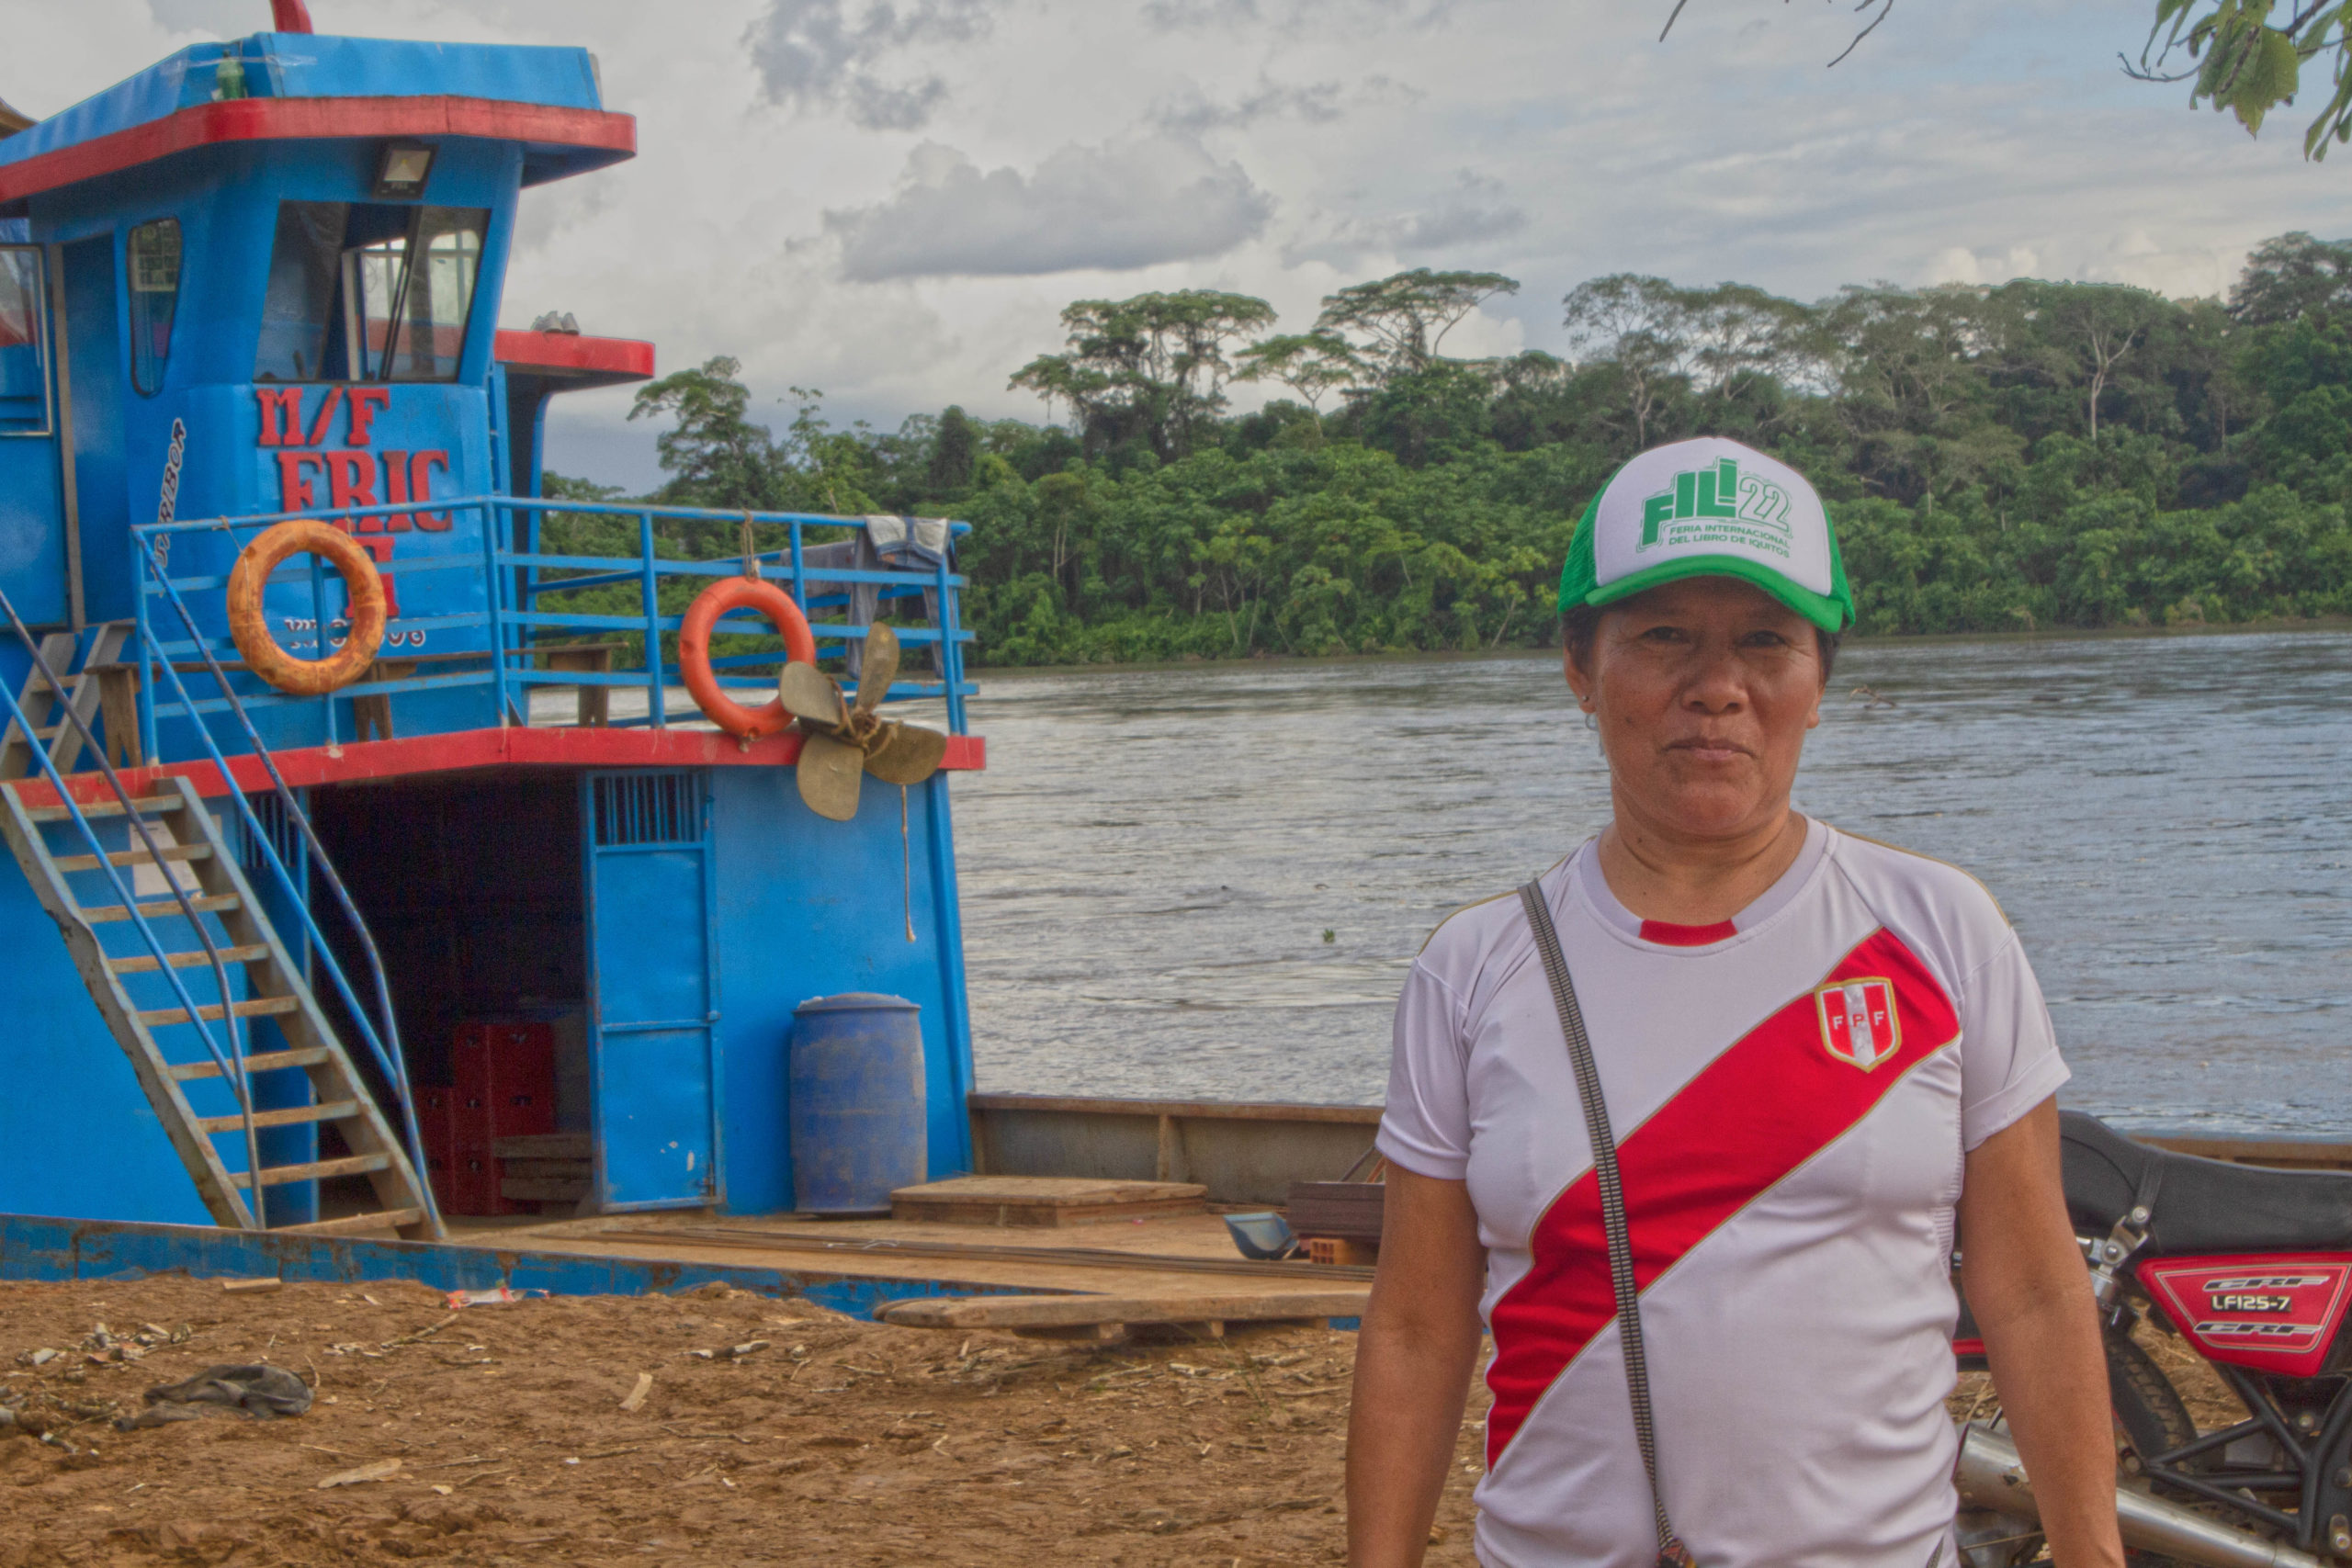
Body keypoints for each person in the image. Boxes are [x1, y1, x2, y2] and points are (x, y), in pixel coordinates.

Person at [1346, 437, 2122, 1568]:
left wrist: (2092, 1554)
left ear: (1818, 684)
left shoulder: (1941, 929)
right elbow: (1416, 1328)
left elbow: (2036, 1291)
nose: (1718, 688)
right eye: (1664, 637)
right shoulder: (1477, 967)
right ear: (1579, 667)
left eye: (1765, 641)